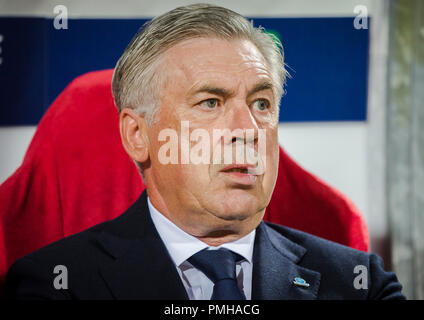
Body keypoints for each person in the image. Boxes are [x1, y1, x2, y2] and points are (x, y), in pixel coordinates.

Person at [5, 3, 404, 300]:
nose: (247, 130)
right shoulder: (53, 284)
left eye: (261, 104)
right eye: (211, 103)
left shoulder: (361, 282)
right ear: (137, 135)